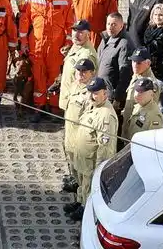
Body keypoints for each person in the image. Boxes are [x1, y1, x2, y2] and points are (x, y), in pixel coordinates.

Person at [19, 0, 73, 122]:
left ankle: (54, 108)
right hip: (36, 47)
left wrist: (68, 43)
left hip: (57, 49)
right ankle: (39, 108)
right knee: (39, 78)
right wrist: (23, 42)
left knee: (55, 79)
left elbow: (70, 24)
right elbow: (24, 22)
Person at [66, 77, 118, 221]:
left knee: (89, 187)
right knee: (83, 184)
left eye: (95, 93)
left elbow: (105, 148)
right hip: (83, 158)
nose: (91, 96)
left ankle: (86, 211)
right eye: (90, 92)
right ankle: (80, 202)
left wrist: (99, 170)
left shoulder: (106, 115)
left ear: (105, 94)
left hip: (91, 162)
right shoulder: (94, 106)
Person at [60, 57, 95, 195]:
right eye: (78, 71)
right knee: (73, 164)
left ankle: (82, 196)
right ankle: (76, 185)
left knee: (83, 171)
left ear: (92, 73)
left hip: (81, 138)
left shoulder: (92, 92)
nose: (80, 74)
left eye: (84, 71)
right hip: (70, 133)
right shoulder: (75, 85)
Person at [54, 20, 96, 116]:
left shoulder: (87, 55)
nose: (76, 35)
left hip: (78, 105)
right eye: (74, 31)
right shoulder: (76, 46)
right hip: (70, 100)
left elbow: (86, 84)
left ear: (88, 34)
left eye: (81, 32)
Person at [97, 12, 133, 112]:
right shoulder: (105, 39)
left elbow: (125, 74)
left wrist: (118, 98)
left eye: (114, 24)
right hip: (101, 92)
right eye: (108, 24)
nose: (110, 27)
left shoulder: (124, 44)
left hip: (112, 97)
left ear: (121, 26)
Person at [120, 77, 163, 142]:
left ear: (151, 94)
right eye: (136, 91)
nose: (137, 95)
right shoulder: (139, 105)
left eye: (141, 93)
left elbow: (153, 142)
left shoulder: (154, 116)